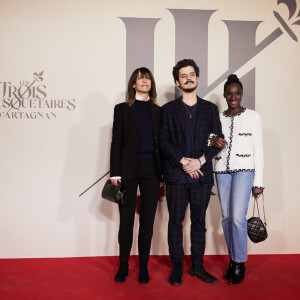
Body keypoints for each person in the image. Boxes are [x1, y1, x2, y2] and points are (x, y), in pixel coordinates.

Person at [159, 59, 223, 286]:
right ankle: (177, 266)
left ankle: (197, 266)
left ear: (197, 77)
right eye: (183, 75)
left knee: (199, 223)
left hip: (201, 176)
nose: (188, 77)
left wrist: (200, 161)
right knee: (175, 222)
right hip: (176, 175)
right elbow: (164, 142)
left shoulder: (210, 109)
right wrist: (183, 161)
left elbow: (218, 141)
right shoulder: (168, 110)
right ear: (177, 81)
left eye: (192, 74)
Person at [210, 74, 264, 284]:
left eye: (237, 93)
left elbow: (258, 150)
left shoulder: (253, 117)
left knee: (238, 218)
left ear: (242, 94)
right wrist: (211, 139)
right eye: (230, 93)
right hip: (222, 170)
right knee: (226, 217)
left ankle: (240, 262)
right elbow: (209, 137)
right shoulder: (219, 117)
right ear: (225, 95)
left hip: (244, 170)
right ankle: (233, 259)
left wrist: (258, 182)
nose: (233, 97)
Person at [110, 67, 163, 284]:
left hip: (152, 170)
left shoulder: (159, 111)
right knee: (126, 221)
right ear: (133, 84)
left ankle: (143, 266)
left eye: (147, 77)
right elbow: (117, 142)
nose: (144, 80)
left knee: (148, 222)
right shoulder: (122, 109)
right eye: (140, 78)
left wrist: (162, 174)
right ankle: (123, 266)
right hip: (128, 171)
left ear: (151, 83)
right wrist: (115, 172)